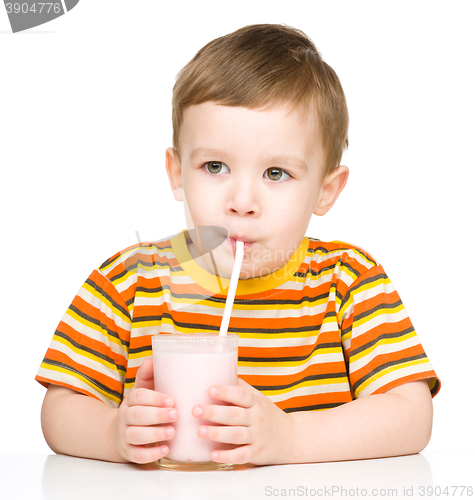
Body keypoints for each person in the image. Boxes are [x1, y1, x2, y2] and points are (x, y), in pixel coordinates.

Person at [37, 24, 440, 466]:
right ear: (176, 173)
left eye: (276, 174)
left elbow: (412, 415)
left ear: (326, 190)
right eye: (215, 166)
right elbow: (60, 410)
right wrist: (112, 434)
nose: (242, 203)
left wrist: (290, 439)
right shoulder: (129, 281)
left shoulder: (349, 282)